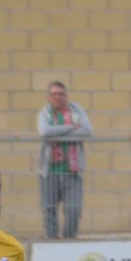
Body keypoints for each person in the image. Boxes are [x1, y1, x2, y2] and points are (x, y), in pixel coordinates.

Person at [36, 81, 92, 239]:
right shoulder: (44, 113)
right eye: (54, 94)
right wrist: (71, 128)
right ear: (48, 97)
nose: (58, 97)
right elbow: (45, 132)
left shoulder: (76, 110)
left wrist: (57, 134)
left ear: (66, 96)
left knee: (74, 209)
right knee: (49, 209)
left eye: (61, 94)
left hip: (72, 171)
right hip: (49, 171)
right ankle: (53, 241)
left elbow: (87, 131)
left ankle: (69, 241)